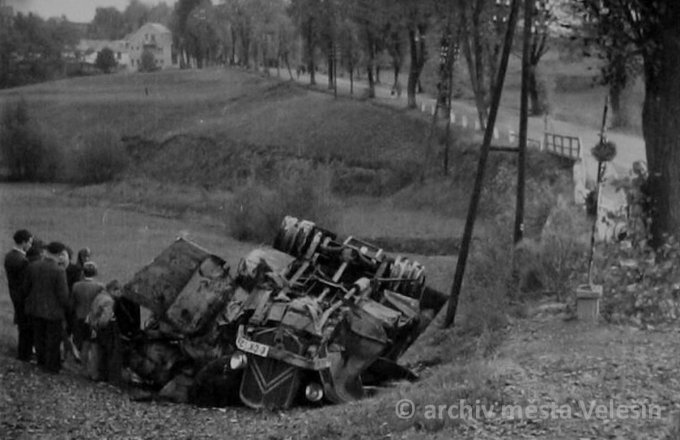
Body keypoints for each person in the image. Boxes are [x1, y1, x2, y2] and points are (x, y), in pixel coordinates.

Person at [23, 241, 70, 373]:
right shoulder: (59, 271)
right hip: (53, 311)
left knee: (39, 337)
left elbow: (26, 288)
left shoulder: (33, 266)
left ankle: (41, 361)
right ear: (59, 254)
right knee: (53, 340)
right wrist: (67, 307)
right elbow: (63, 295)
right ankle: (52, 367)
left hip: (35, 308)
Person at [4, 229, 33, 361]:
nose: (30, 246)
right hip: (23, 298)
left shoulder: (9, 256)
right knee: (26, 328)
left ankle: (22, 354)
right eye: (29, 242)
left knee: (22, 326)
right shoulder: (23, 261)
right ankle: (24, 355)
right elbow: (26, 283)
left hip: (14, 295)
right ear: (23, 242)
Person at [87, 280, 123, 385]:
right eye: (119, 291)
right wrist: (102, 326)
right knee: (108, 352)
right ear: (113, 290)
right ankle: (105, 376)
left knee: (96, 351)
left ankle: (95, 374)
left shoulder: (100, 296)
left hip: (93, 324)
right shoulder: (109, 301)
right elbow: (105, 319)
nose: (120, 294)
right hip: (103, 330)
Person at [71, 262, 104, 359]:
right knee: (92, 341)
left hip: (79, 316)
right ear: (95, 273)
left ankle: (81, 359)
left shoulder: (76, 286)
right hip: (93, 318)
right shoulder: (99, 287)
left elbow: (72, 303)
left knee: (81, 340)